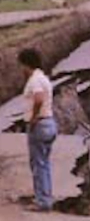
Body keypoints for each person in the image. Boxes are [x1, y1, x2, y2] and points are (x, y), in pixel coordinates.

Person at [18, 48, 58, 212]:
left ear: (27, 64)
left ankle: (43, 201)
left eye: (22, 65)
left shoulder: (35, 80)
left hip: (40, 125)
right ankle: (45, 196)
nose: (21, 69)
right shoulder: (43, 77)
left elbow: (39, 99)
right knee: (44, 163)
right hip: (49, 123)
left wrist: (33, 118)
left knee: (38, 164)